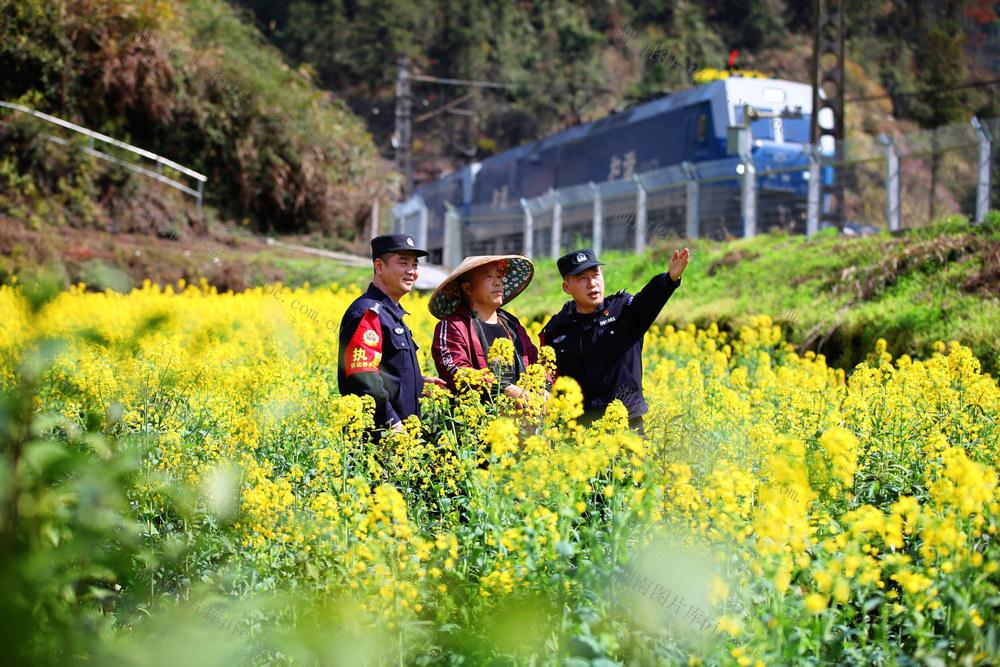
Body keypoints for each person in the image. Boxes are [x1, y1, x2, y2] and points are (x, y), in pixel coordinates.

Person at [539, 246, 690, 435]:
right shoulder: (557, 328)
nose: (592, 284)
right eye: (582, 278)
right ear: (566, 287)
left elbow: (649, 299)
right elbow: (548, 375)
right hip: (579, 432)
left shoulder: (624, 310)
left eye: (595, 275)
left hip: (627, 425)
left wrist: (670, 279)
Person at [338, 234, 445, 436]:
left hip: (401, 439)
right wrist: (392, 423)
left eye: (415, 265)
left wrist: (417, 384)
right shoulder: (367, 312)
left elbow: (387, 371)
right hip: (380, 441)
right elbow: (364, 376)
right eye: (403, 263)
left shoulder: (390, 314)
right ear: (379, 266)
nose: (412, 271)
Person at [428, 255, 541, 403]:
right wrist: (502, 388)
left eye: (499, 276)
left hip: (521, 415)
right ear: (467, 288)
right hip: (478, 414)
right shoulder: (452, 326)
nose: (497, 282)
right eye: (489, 276)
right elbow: (457, 371)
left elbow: (535, 361)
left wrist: (544, 387)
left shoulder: (512, 324)